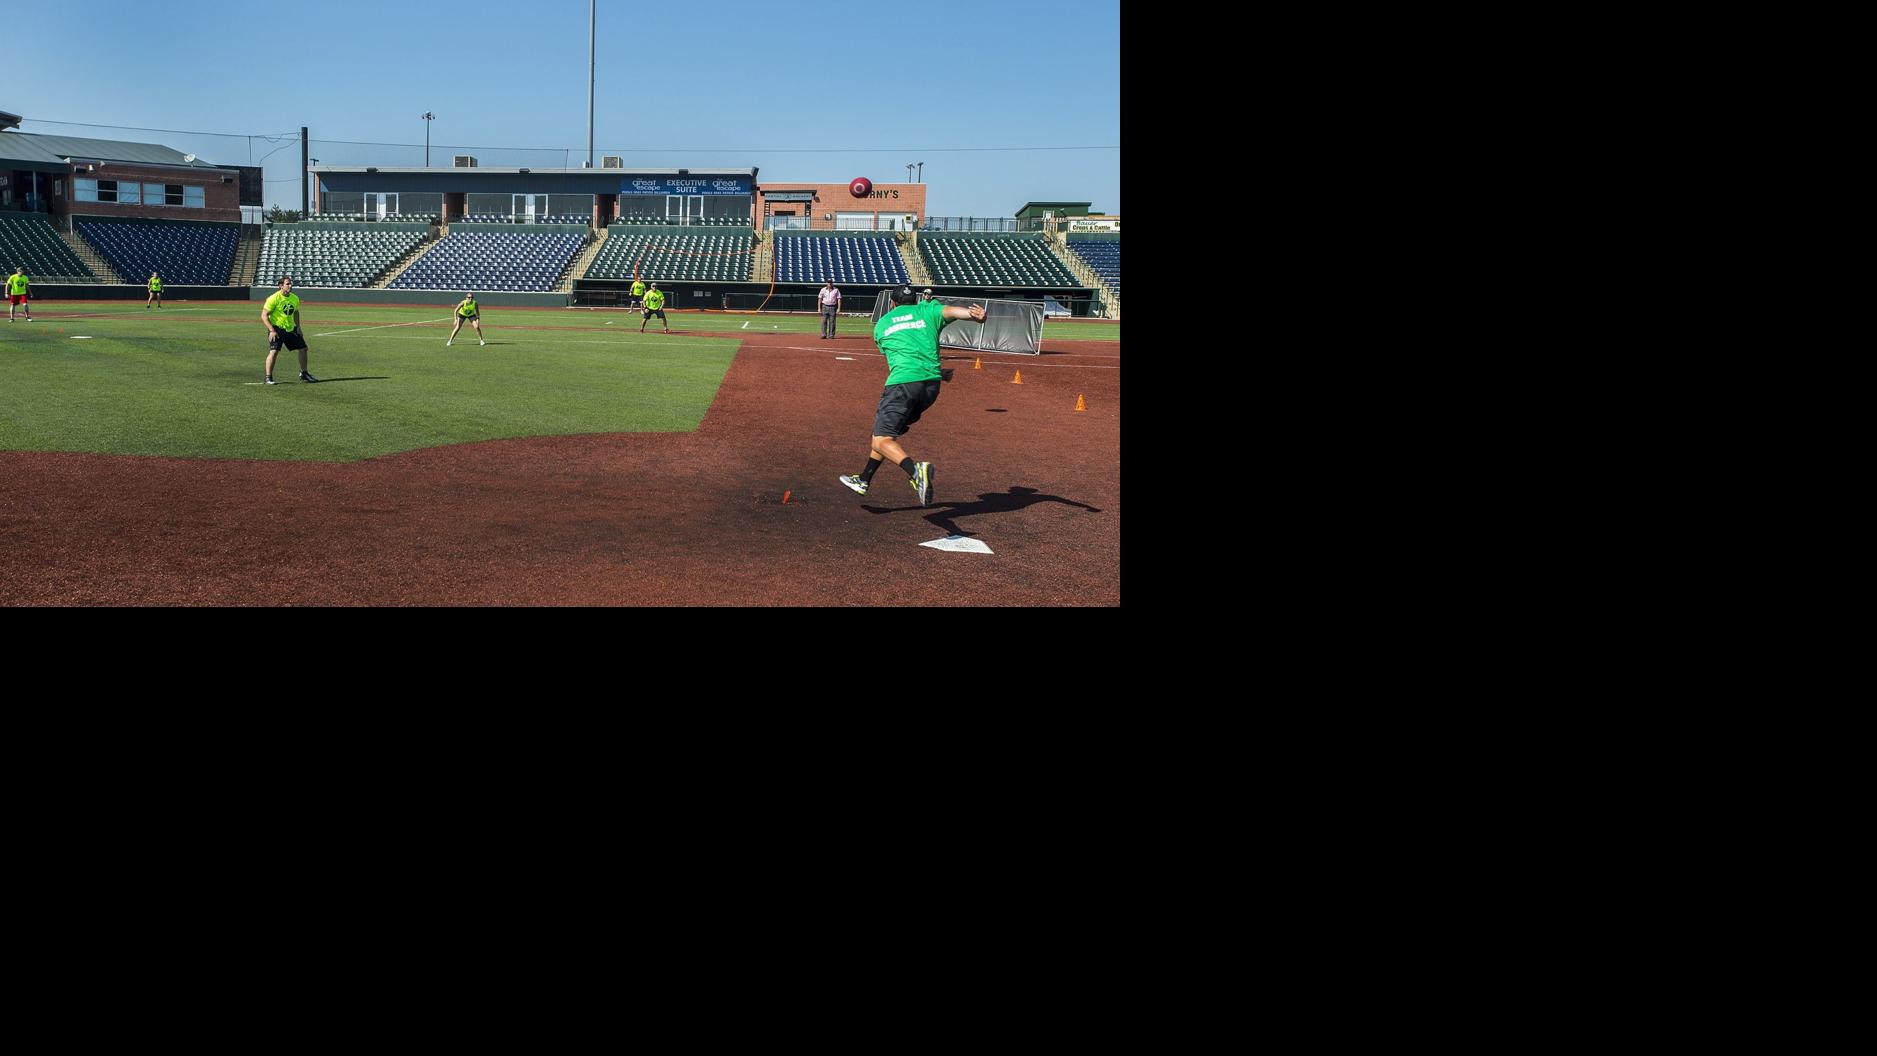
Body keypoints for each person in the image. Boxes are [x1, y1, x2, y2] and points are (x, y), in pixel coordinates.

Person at [839, 285, 985, 506]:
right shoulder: (927, 310)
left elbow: (898, 352)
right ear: (916, 300)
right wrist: (975, 317)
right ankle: (864, 479)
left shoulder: (883, 324)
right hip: (931, 386)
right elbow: (953, 311)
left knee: (882, 438)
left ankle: (915, 471)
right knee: (885, 435)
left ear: (892, 303)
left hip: (903, 384)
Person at [261, 275, 317, 385]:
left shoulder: (294, 298)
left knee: (303, 349)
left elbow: (296, 312)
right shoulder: (273, 298)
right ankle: (268, 377)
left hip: (291, 329)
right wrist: (272, 330)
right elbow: (264, 315)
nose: (290, 286)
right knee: (274, 352)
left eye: (291, 283)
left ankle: (304, 373)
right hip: (277, 329)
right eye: (287, 284)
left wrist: (298, 327)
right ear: (281, 286)